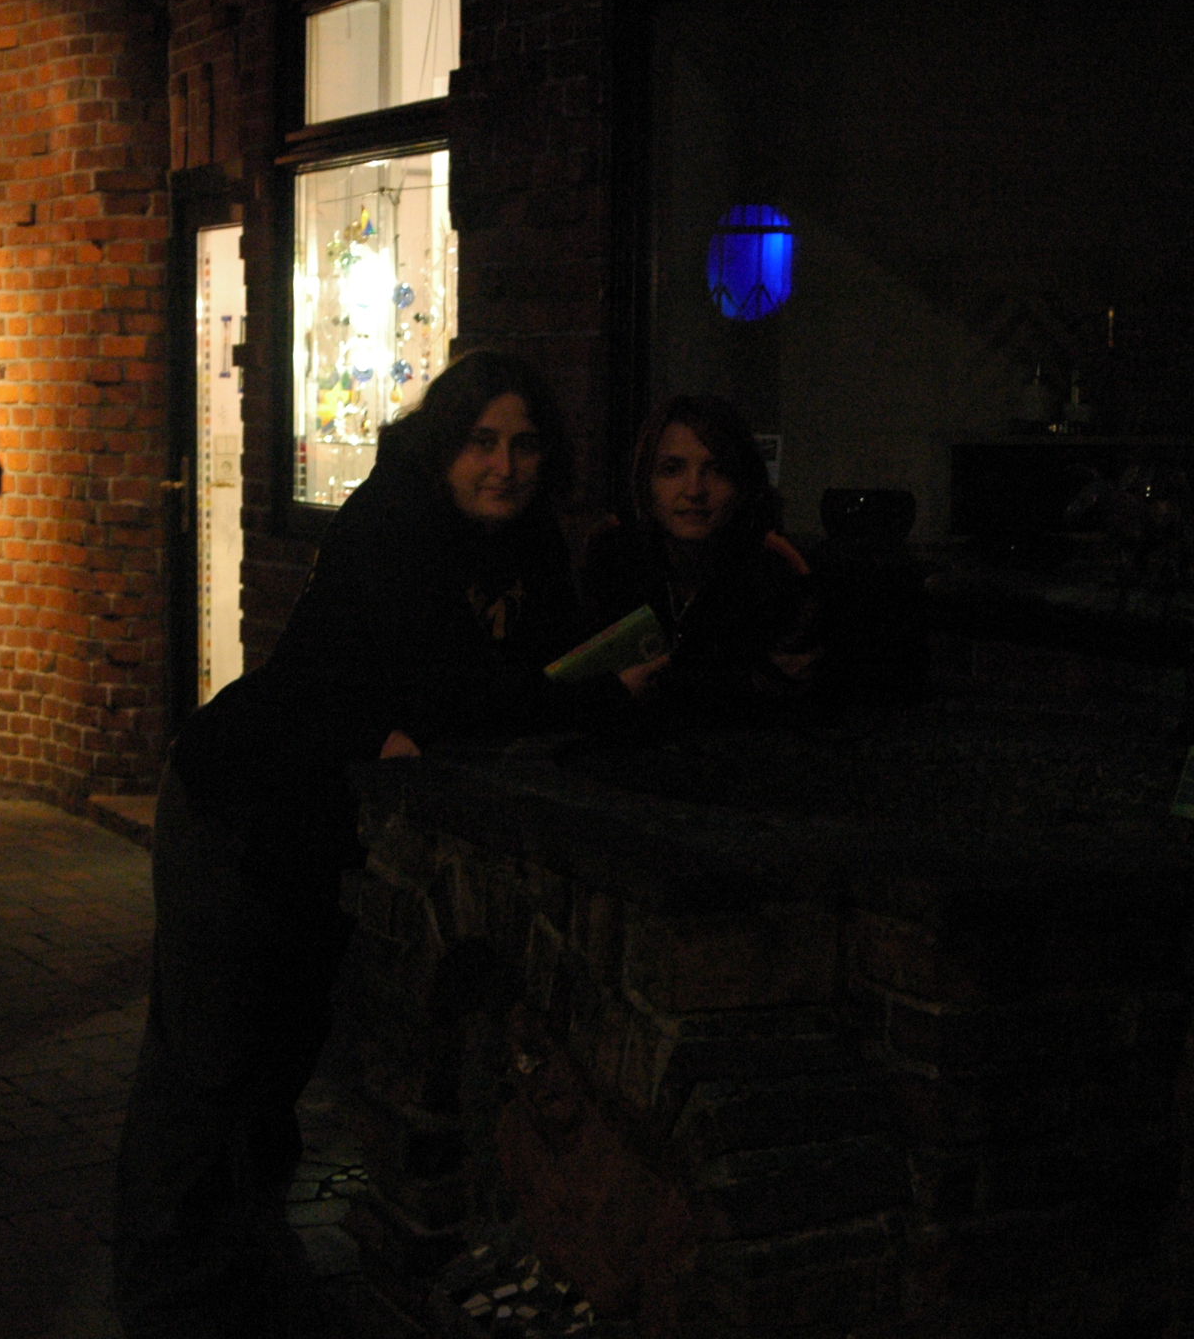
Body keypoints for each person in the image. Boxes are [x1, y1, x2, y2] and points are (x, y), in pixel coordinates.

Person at [112, 349, 640, 1339]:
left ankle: (244, 1277)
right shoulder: (391, 524)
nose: (504, 466)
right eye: (481, 442)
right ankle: (160, 1296)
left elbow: (534, 672)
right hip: (238, 806)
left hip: (324, 829)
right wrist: (579, 692)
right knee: (205, 1062)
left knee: (278, 1060)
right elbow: (446, 691)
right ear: (442, 446)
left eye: (525, 445)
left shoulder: (527, 543)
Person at [578, 394, 820, 727]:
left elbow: (781, 700)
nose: (694, 490)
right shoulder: (613, 557)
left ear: (742, 482)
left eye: (717, 470)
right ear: (645, 480)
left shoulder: (776, 571)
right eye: (672, 469)